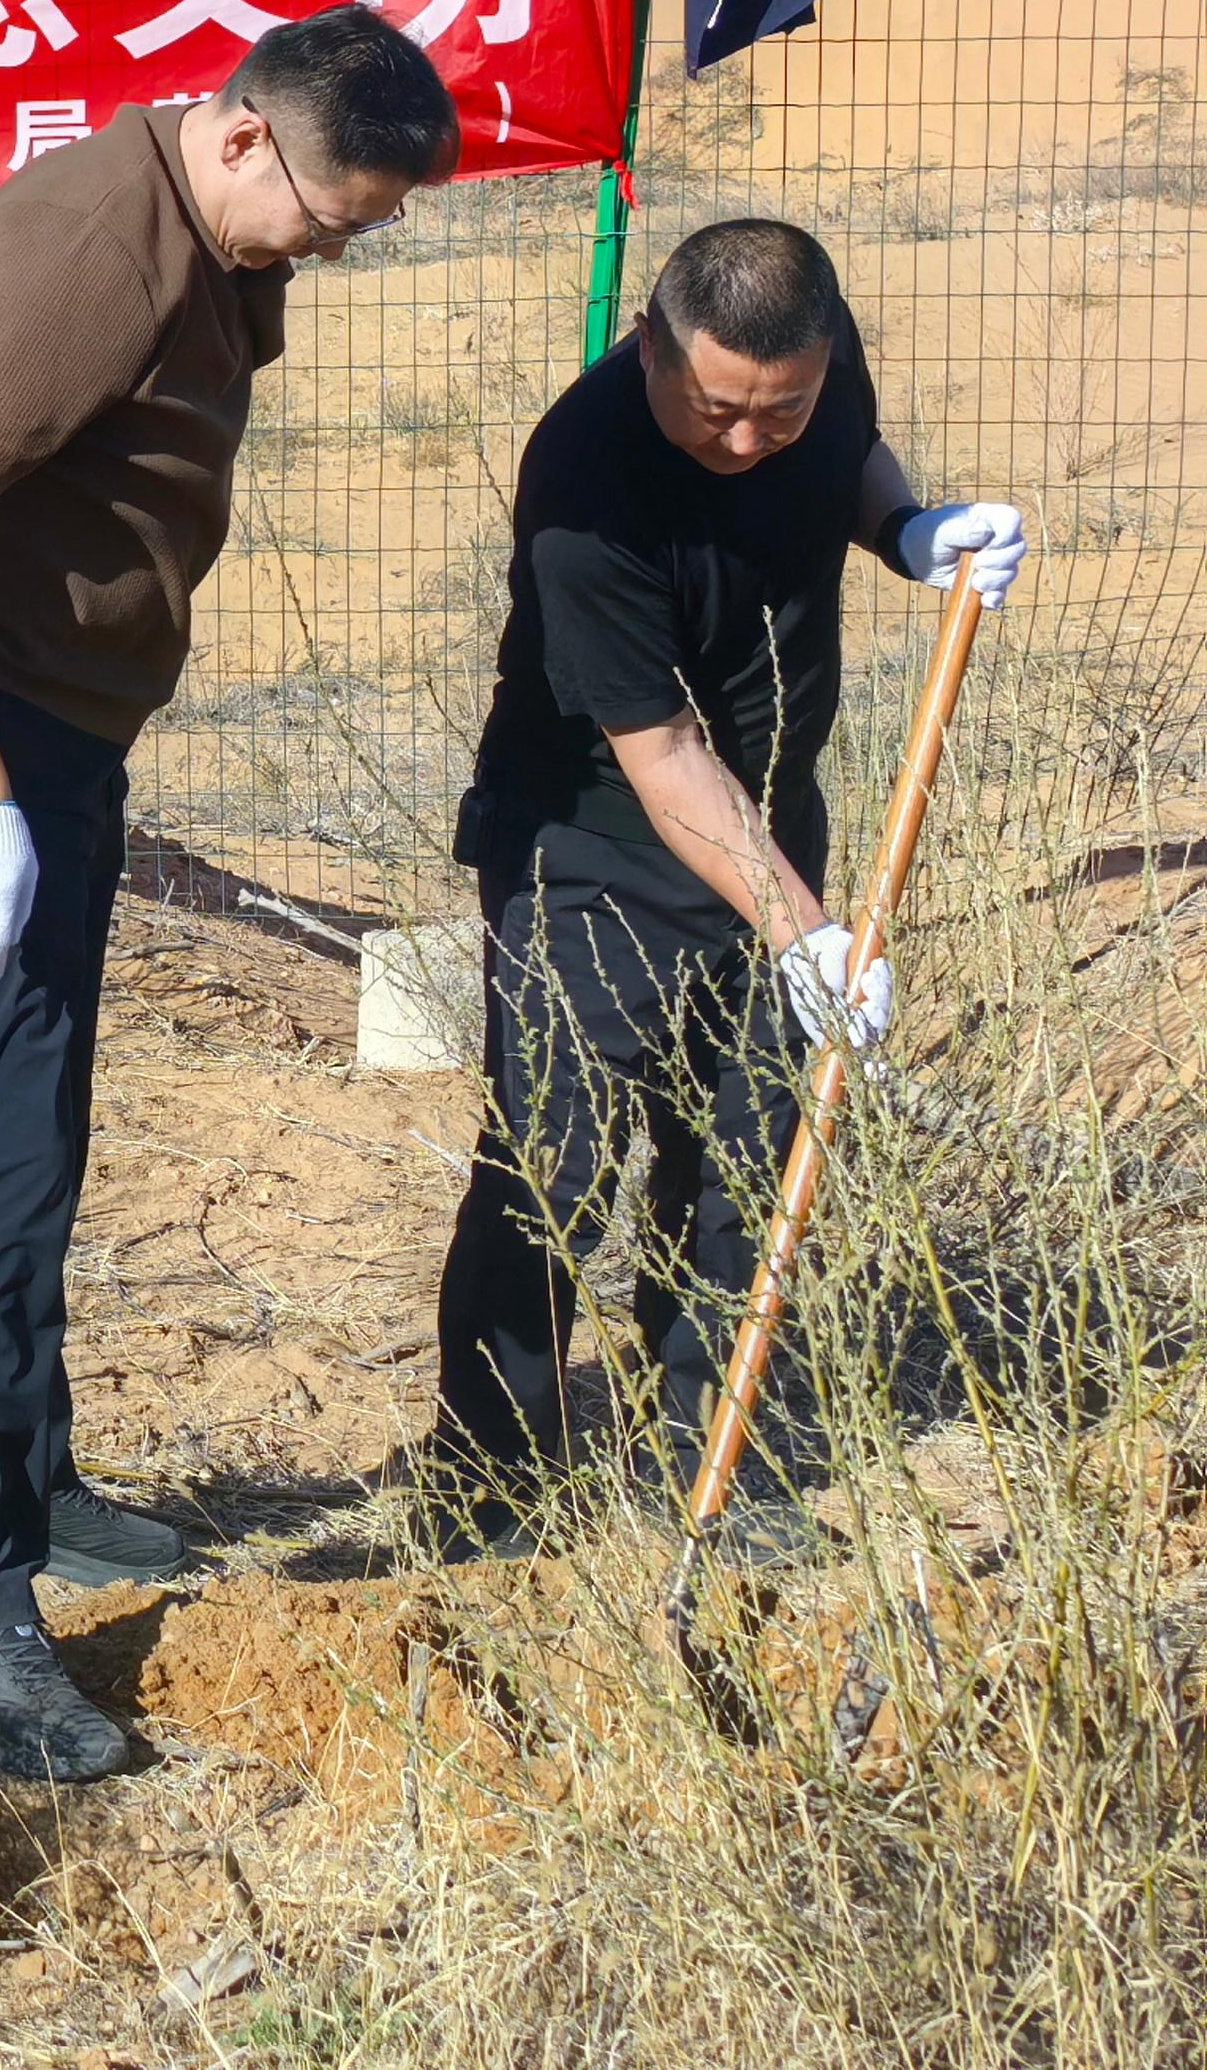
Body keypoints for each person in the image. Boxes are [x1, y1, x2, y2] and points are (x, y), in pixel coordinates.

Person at [0, 8, 462, 1783]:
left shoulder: (211, 228)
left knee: (38, 1130)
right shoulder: (94, 247)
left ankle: (32, 1485)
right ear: (243, 135)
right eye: (326, 220)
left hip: (55, 738)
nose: (327, 253)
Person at [421, 220, 1024, 1553]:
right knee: (551, 1171)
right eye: (715, 410)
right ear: (649, 345)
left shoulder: (808, 360)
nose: (748, 440)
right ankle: (491, 1488)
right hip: (588, 848)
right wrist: (808, 932)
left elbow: (851, 449)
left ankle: (713, 1461)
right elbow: (664, 756)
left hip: (769, 824)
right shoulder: (586, 481)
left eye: (780, 412)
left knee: (744, 1156)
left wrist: (905, 528)